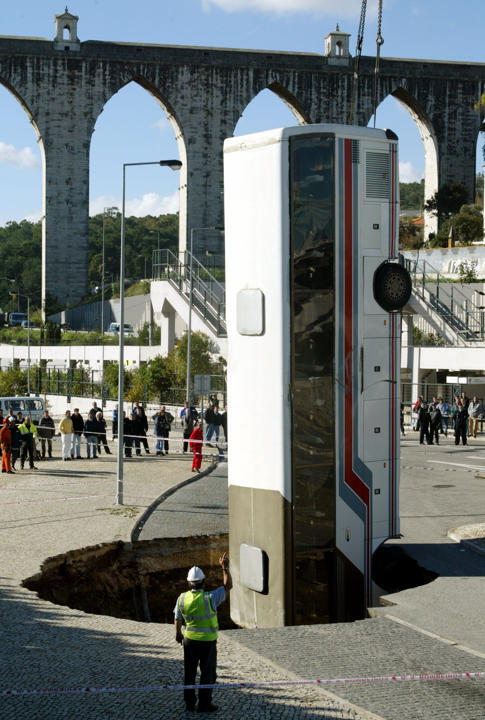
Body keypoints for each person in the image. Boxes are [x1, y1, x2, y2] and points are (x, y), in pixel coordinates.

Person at [174, 553, 232, 713]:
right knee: (208, 674)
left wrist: (178, 635)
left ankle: (189, 704)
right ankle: (204, 704)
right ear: (203, 582)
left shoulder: (182, 598)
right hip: (208, 642)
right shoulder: (210, 598)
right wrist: (225, 568)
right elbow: (228, 587)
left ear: (188, 582)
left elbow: (177, 618)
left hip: (189, 641)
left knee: (189, 673)